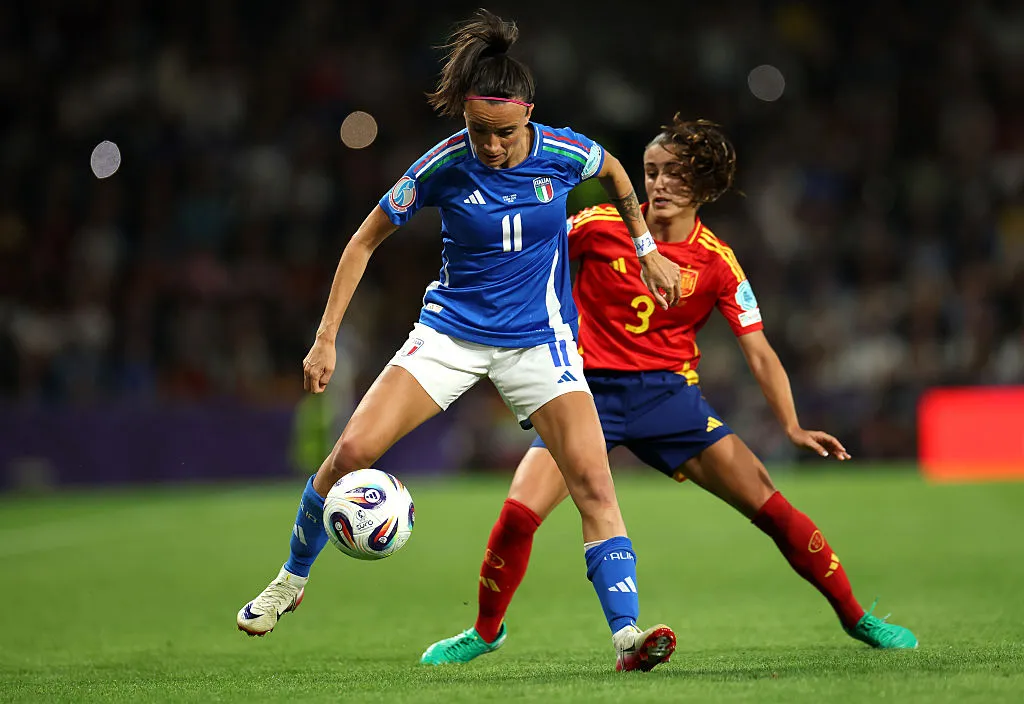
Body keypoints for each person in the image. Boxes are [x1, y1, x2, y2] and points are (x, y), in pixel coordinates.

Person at [236, 9, 683, 672]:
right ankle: (290, 581)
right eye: (479, 132)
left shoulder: (565, 154)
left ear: (528, 117)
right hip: (452, 336)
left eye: (504, 133)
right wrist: (325, 338)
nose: (491, 147)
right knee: (351, 451)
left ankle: (626, 637)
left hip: (540, 343)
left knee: (593, 481)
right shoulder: (443, 165)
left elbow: (617, 172)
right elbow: (362, 242)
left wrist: (646, 249)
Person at [420, 116, 918, 665]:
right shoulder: (597, 224)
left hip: (669, 400)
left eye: (674, 175)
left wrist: (792, 425)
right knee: (519, 512)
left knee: (773, 508)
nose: (658, 184)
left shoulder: (717, 261)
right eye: (651, 171)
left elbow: (758, 349)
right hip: (584, 394)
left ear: (703, 187)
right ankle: (485, 631)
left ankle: (857, 617)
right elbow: (533, 257)